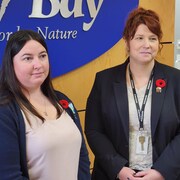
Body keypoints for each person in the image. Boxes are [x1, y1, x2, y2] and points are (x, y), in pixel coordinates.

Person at [85, 7, 180, 180]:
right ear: (127, 42)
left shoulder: (176, 80)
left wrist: (161, 171)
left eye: (153, 38)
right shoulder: (104, 81)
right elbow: (94, 130)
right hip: (115, 174)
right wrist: (118, 168)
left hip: (163, 174)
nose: (147, 44)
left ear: (159, 43)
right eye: (139, 38)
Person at [0, 30, 91, 180]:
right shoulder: (5, 110)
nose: (38, 64)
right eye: (28, 58)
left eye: (42, 56)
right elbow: (9, 175)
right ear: (11, 64)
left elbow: (82, 158)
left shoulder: (63, 101)